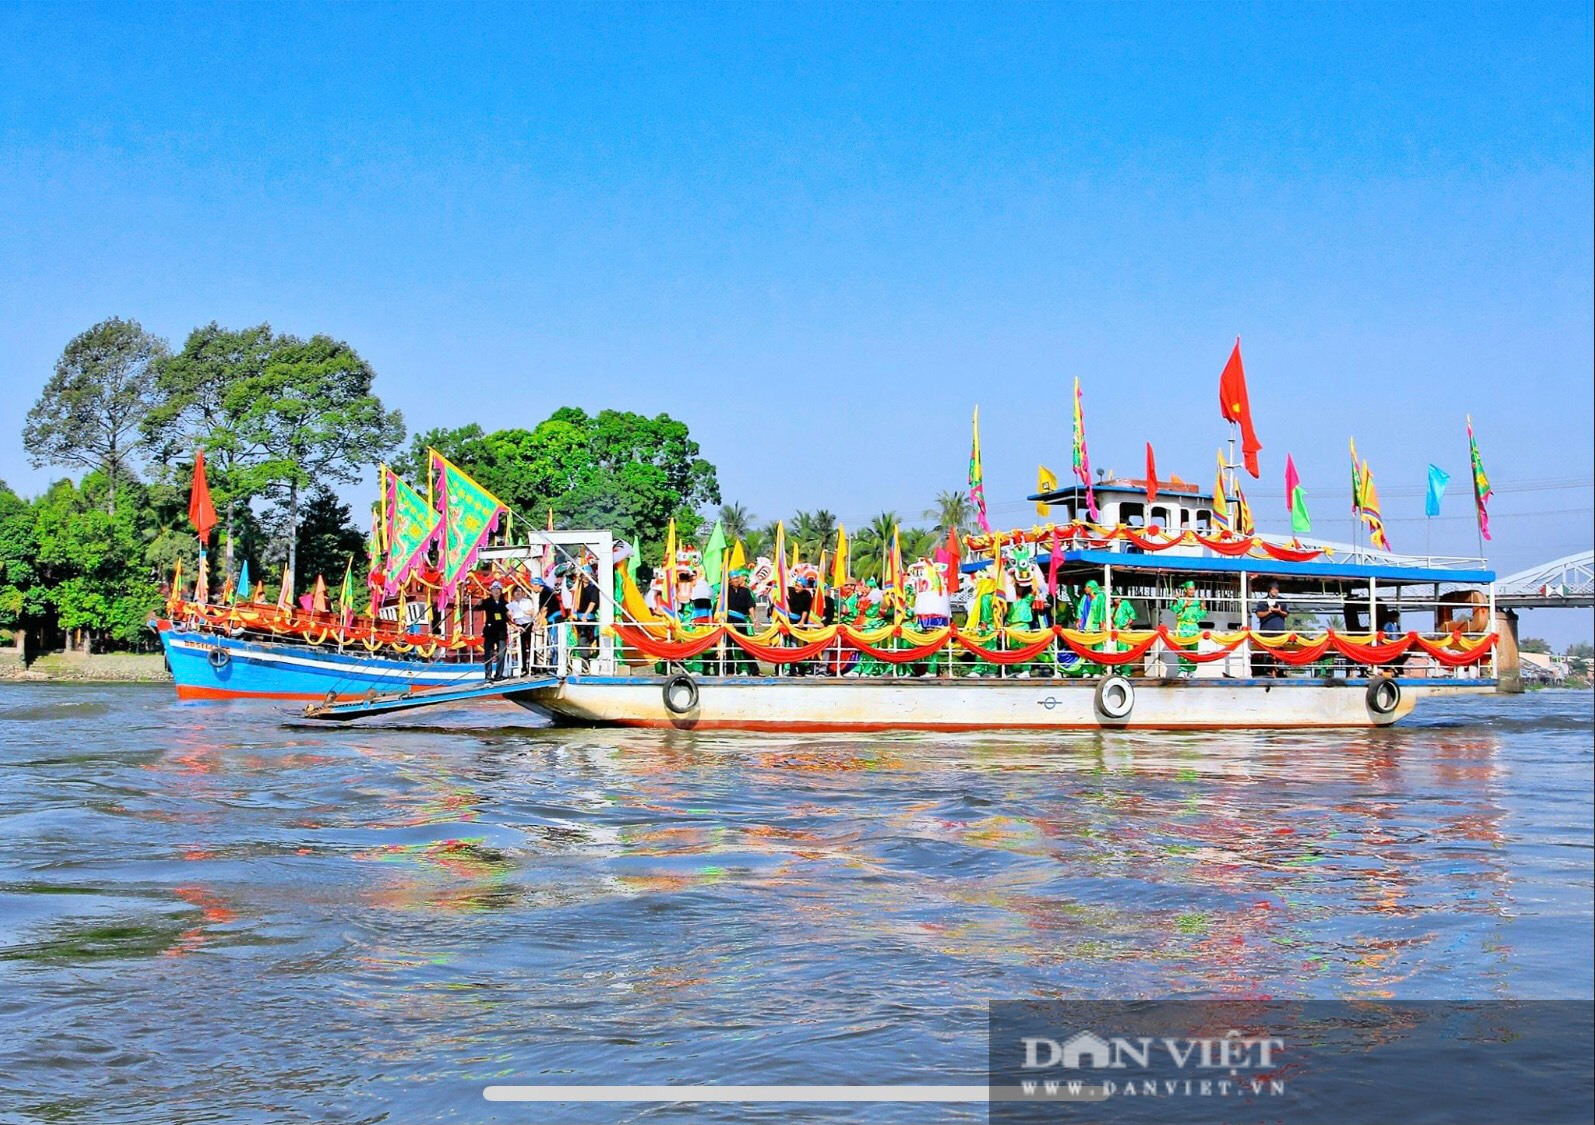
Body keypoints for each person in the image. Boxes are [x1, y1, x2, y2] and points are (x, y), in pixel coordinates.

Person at [1170, 580, 1205, 678]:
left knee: (1193, 651)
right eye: (1190, 589)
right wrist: (1182, 604)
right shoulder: (1181, 599)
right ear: (1185, 590)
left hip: (1193, 627)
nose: (1192, 591)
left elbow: (1201, 614)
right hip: (1183, 627)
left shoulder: (1197, 601)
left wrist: (1203, 605)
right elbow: (1174, 609)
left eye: (1193, 589)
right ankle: (1183, 670)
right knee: (1182, 650)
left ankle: (1192, 670)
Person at [1253, 581, 1289, 678]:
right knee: (1267, 653)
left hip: (1279, 631)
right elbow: (1258, 614)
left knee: (1279, 652)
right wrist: (1268, 611)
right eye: (1273, 589)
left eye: (1277, 589)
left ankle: (1279, 672)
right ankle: (1268, 671)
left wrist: (1279, 611)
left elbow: (1286, 614)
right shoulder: (1262, 601)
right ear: (1269, 590)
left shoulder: (1282, 601)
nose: (1275, 591)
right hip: (1266, 631)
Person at [479, 581, 510, 681]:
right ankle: (488, 675)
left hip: (501, 632)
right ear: (491, 591)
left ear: (501, 591)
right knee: (488, 654)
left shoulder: (505, 603)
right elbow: (479, 607)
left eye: (498, 589)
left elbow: (508, 617)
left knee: (501, 653)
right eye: (494, 589)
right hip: (490, 631)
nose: (496, 591)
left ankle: (499, 674)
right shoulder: (487, 602)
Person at [509, 584, 537, 675]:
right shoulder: (512, 604)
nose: (518, 593)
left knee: (531, 645)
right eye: (516, 591)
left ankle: (533, 667)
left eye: (520, 591)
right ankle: (523, 667)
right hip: (518, 625)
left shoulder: (527, 601)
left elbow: (532, 612)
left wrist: (522, 612)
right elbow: (508, 615)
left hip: (527, 623)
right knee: (522, 647)